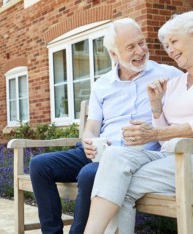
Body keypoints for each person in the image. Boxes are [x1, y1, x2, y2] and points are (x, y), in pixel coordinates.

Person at [29, 18, 183, 234]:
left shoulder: (169, 75)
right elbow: (92, 126)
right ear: (114, 54)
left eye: (142, 43)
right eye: (131, 47)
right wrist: (88, 141)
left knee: (89, 174)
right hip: (100, 151)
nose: (140, 51)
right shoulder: (102, 85)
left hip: (133, 157)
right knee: (39, 165)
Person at [85, 11, 193, 234]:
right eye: (166, 45)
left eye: (174, 42)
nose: (170, 50)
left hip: (187, 159)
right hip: (170, 159)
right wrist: (156, 106)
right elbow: (164, 137)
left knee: (116, 186)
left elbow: (160, 136)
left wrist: (154, 135)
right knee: (115, 165)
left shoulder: (169, 74)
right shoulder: (176, 82)